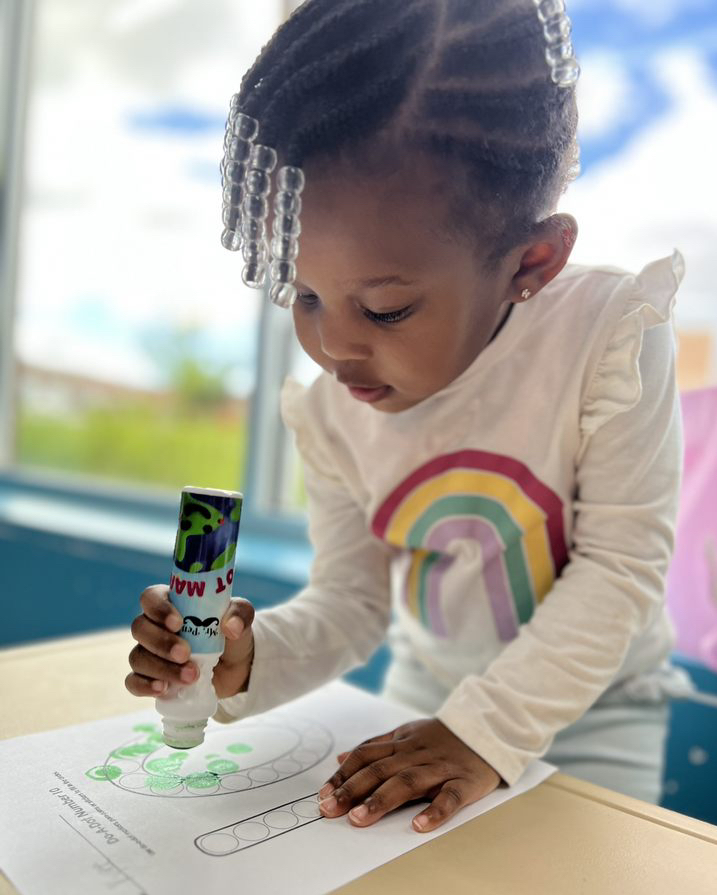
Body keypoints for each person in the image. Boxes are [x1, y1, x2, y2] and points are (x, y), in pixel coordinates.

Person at [126, 0, 686, 830]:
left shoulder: (606, 336)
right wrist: (245, 660)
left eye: (385, 310)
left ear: (532, 262)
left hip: (597, 716)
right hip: (424, 703)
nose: (333, 347)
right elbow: (352, 603)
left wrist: (481, 734)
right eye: (304, 295)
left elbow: (621, 566)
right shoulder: (331, 414)